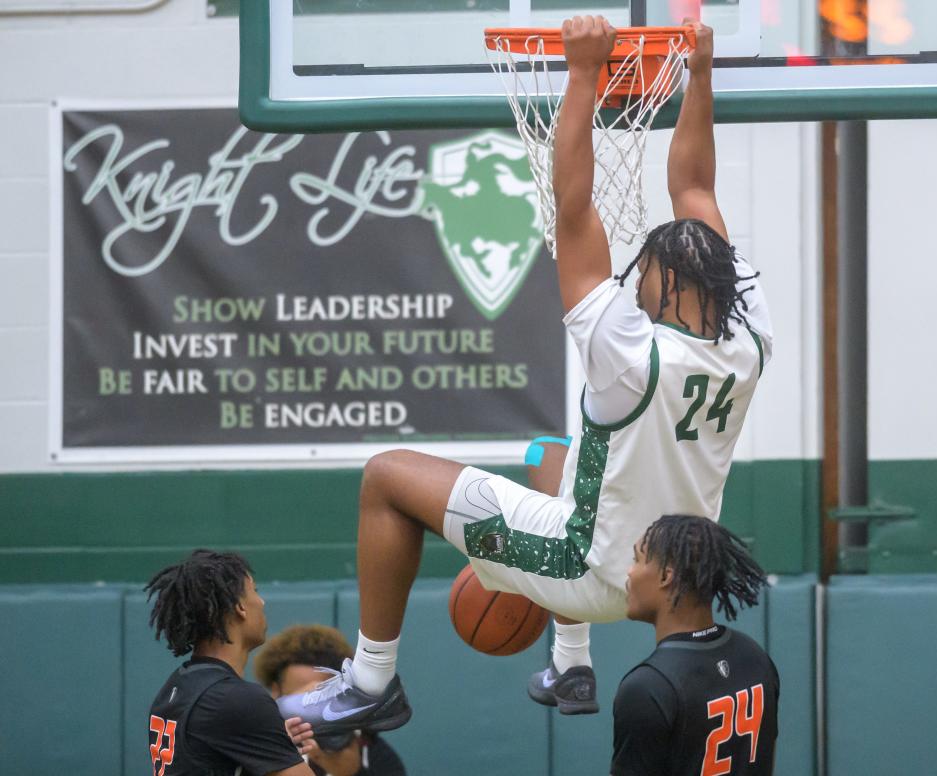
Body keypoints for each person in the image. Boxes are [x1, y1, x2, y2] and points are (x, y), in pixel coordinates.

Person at [283, 15, 773, 734]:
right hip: (668, 562)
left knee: (387, 477)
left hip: (592, 565)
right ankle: (571, 664)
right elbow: (694, 185)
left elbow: (573, 207)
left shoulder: (628, 350)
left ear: (662, 290)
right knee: (551, 458)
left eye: (642, 279)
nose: (630, 285)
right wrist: (698, 75)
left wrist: (580, 75)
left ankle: (371, 679)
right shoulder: (750, 333)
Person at [612, 514, 779, 776]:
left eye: (637, 559)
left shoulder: (646, 688)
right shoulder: (755, 657)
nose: (629, 571)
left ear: (666, 576)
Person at [145, 549, 313, 776]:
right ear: (240, 607)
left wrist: (267, 750)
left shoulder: (176, 685)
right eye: (255, 591)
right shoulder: (238, 700)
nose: (261, 601)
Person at [255, 625, 407, 776]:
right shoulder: (256, 747)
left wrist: (354, 773)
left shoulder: (368, 749)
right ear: (276, 692)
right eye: (301, 700)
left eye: (322, 697)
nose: (313, 709)